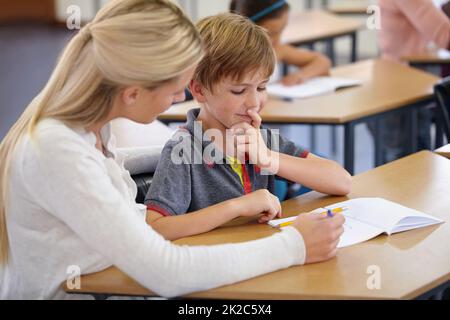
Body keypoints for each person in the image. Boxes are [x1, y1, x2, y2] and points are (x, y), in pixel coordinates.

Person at [0, 0, 345, 299]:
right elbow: (167, 272)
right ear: (133, 92)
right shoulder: (56, 150)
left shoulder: (92, 130)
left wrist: (200, 150)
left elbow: (103, 175)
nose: (180, 99)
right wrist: (295, 246)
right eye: (176, 88)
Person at [144, 13, 351, 241]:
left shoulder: (260, 139)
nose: (254, 103)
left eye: (261, 88)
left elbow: (341, 181)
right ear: (200, 90)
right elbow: (156, 228)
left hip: (265, 258)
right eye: (239, 91)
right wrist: (237, 207)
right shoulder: (183, 148)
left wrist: (269, 159)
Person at [373, 0, 450, 162]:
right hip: (402, 85)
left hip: (404, 79)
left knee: (415, 164)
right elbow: (446, 36)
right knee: (409, 165)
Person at [230, 0, 331, 85]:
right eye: (271, 33)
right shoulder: (230, 58)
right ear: (246, 29)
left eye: (282, 29)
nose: (278, 40)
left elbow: (323, 62)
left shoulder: (277, 50)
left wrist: (300, 75)